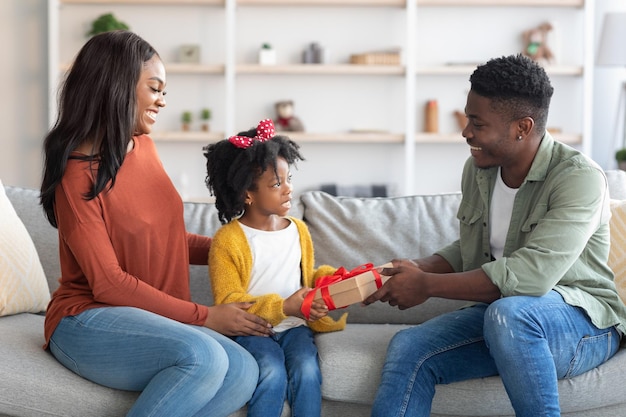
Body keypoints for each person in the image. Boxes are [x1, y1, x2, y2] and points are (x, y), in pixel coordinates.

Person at [364, 54, 626, 417]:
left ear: (522, 127)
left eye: (477, 122)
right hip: (505, 321)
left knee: (510, 314)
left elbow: (531, 277)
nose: (465, 132)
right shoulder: (479, 170)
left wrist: (424, 285)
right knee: (410, 346)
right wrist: (415, 268)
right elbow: (474, 248)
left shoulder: (578, 178)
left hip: (584, 324)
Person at [39, 30, 273, 417]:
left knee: (244, 371)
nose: (163, 100)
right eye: (154, 87)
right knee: (205, 357)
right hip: (84, 320)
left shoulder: (143, 147)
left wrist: (237, 245)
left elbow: (166, 239)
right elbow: (108, 282)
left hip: (155, 320)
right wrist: (205, 315)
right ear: (116, 87)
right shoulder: (75, 176)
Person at [204, 119, 347, 417]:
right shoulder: (228, 240)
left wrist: (329, 282)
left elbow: (307, 276)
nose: (288, 190)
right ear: (248, 194)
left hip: (295, 329)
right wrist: (283, 307)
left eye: (289, 179)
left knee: (307, 370)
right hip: (255, 332)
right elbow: (229, 302)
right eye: (276, 184)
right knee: (270, 372)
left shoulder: (298, 230)